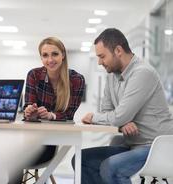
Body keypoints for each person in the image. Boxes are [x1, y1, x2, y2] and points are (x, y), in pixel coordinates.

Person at [72, 28, 173, 184]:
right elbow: (108, 112)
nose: (99, 62)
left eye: (102, 56)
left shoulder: (142, 73)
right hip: (132, 144)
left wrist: (96, 117)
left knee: (111, 167)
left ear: (118, 50)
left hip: (156, 148)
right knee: (80, 160)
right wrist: (122, 123)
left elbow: (117, 115)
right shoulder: (112, 77)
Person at [18, 37, 85, 183]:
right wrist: (30, 112)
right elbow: (28, 106)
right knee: (11, 158)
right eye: (45, 55)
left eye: (54, 54)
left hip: (50, 144)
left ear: (63, 55)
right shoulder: (34, 75)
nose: (50, 60)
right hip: (30, 140)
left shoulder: (76, 79)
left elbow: (69, 114)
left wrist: (51, 115)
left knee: (14, 161)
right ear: (41, 57)